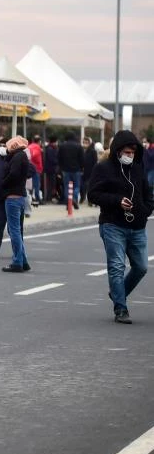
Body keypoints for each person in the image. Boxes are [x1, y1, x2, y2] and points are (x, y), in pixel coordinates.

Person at [88, 131, 150, 323]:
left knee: (141, 267)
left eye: (132, 152)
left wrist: (145, 210)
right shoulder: (103, 168)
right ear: (117, 151)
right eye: (125, 152)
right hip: (113, 224)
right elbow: (93, 195)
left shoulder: (138, 168)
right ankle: (120, 308)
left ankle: (117, 292)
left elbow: (148, 193)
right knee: (116, 266)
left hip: (137, 226)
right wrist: (116, 201)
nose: (129, 155)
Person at [1, 136, 32, 273]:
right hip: (20, 196)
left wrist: (3, 184)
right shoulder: (23, 156)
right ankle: (23, 260)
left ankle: (17, 261)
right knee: (17, 230)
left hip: (12, 197)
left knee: (13, 230)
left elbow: (13, 174)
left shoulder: (17, 157)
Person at [27, 135, 44, 205]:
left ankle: (32, 197)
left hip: (29, 167)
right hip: (36, 168)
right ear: (39, 141)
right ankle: (37, 198)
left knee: (31, 184)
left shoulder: (30, 146)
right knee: (36, 184)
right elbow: (35, 155)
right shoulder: (37, 147)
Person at [44, 135, 60, 203]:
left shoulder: (50, 148)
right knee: (51, 184)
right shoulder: (50, 149)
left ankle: (50, 197)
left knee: (52, 184)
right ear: (54, 142)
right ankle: (48, 198)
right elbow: (51, 159)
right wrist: (58, 161)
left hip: (51, 169)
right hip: (51, 169)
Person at [82, 137, 97, 203]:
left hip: (90, 171)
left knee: (89, 186)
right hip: (83, 171)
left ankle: (89, 200)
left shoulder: (93, 151)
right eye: (84, 142)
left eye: (86, 143)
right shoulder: (82, 150)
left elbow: (95, 161)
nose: (85, 144)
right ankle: (82, 198)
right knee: (83, 186)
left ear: (89, 143)